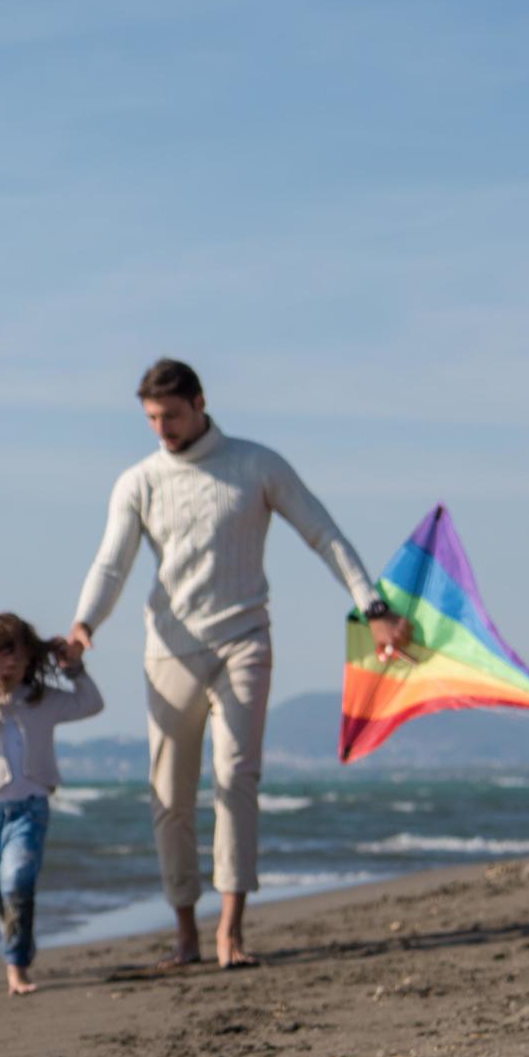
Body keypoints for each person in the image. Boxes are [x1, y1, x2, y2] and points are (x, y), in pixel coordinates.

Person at [64, 359, 407, 969]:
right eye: (151, 419)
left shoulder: (256, 464)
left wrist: (372, 607)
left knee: (236, 776)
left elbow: (323, 533)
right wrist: (85, 625)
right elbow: (110, 563)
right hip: (169, 648)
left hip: (244, 639)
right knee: (169, 794)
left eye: (171, 415)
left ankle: (231, 931)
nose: (162, 429)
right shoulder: (138, 481)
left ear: (199, 402)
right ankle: (185, 931)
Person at [0, 612, 103, 996]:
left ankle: (17, 965)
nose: (12, 661)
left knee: (18, 883)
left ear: (32, 657)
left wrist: (75, 668)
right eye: (2, 652)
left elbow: (91, 703)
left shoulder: (40, 699)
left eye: (19, 653)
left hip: (30, 808)